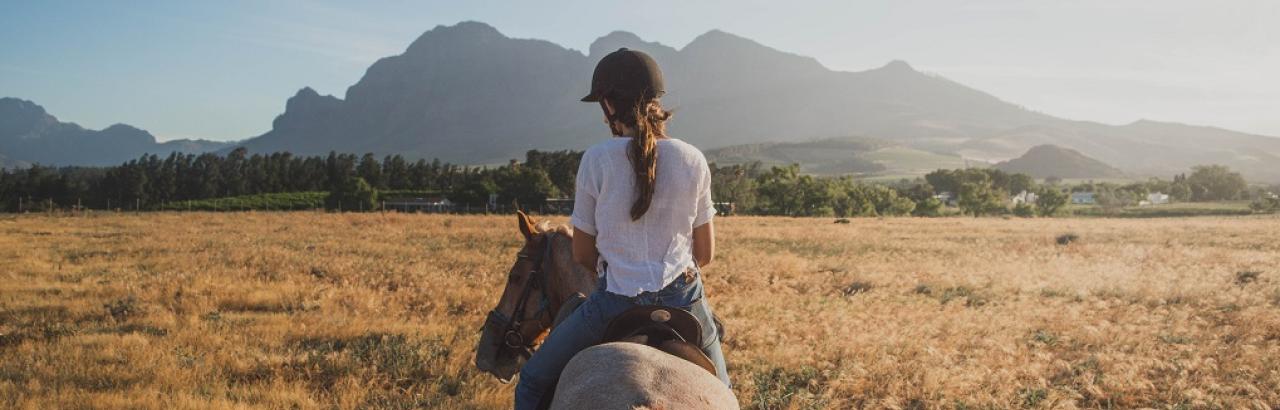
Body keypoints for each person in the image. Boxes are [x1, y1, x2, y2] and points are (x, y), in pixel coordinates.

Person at [513, 48, 729, 409]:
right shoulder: (693, 158)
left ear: (609, 105)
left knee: (532, 382)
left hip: (614, 303)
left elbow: (582, 254)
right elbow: (704, 255)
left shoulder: (596, 159)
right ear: (657, 101)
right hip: (683, 299)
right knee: (725, 393)